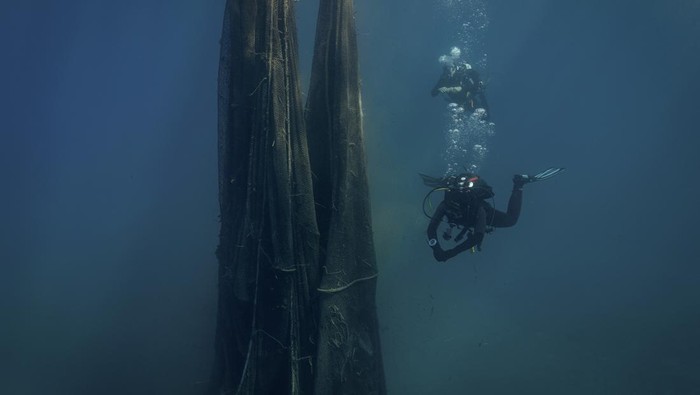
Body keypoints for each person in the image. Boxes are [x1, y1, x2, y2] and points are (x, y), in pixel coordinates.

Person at [422, 167, 564, 262]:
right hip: (469, 220)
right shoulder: (446, 204)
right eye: (454, 202)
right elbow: (431, 229)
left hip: (480, 216)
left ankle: (519, 184)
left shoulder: (478, 209)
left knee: (511, 220)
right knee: (511, 221)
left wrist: (450, 253)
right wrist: (436, 248)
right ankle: (519, 184)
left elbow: (478, 236)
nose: (456, 205)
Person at [431, 46, 491, 120]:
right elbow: (433, 93)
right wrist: (440, 88)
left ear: (454, 66)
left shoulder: (461, 72)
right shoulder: (444, 78)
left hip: (468, 99)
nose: (449, 70)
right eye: (446, 68)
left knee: (484, 116)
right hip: (457, 103)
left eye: (450, 67)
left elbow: (469, 85)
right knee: (459, 118)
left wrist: (450, 89)